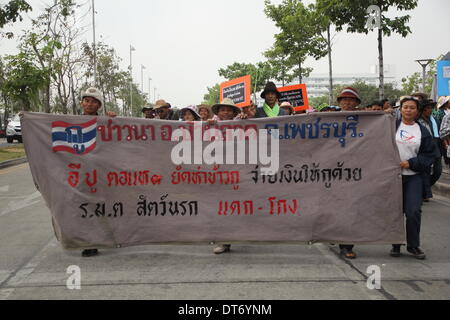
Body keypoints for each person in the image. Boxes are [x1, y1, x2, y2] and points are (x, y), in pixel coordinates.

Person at [390, 96, 436, 259]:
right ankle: (395, 244)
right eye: (405, 107)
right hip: (392, 178)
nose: (408, 110)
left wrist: (411, 163)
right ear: (400, 109)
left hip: (414, 177)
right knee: (394, 212)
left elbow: (431, 154)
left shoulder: (422, 131)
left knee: (413, 211)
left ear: (417, 111)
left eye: (412, 107)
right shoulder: (390, 126)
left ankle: (413, 246)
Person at [80, 87, 116, 257]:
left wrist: (112, 121)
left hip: (100, 172)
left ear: (99, 105)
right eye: (87, 100)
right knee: (82, 206)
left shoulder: (104, 122)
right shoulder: (71, 121)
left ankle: (98, 239)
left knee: (99, 206)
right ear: (82, 103)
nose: (89, 104)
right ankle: (87, 241)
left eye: (94, 101)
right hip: (79, 173)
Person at [209, 98, 242, 254]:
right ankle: (224, 240)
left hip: (240, 172)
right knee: (221, 207)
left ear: (234, 113)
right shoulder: (209, 125)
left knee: (238, 206)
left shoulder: (243, 124)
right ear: (218, 112)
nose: (226, 112)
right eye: (223, 110)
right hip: (218, 173)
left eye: (229, 110)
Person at [336, 87, 361, 259]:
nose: (347, 102)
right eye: (343, 99)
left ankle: (346, 244)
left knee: (350, 207)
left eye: (351, 100)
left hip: (354, 171)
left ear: (357, 103)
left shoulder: (365, 120)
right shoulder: (329, 119)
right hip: (329, 170)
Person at [417, 99, 442, 201]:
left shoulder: (435, 120)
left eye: (431, 108)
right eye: (428, 108)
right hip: (423, 149)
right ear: (423, 110)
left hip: (435, 148)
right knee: (425, 172)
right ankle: (425, 192)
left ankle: (425, 189)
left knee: (438, 171)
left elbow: (439, 134)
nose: (430, 110)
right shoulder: (417, 121)